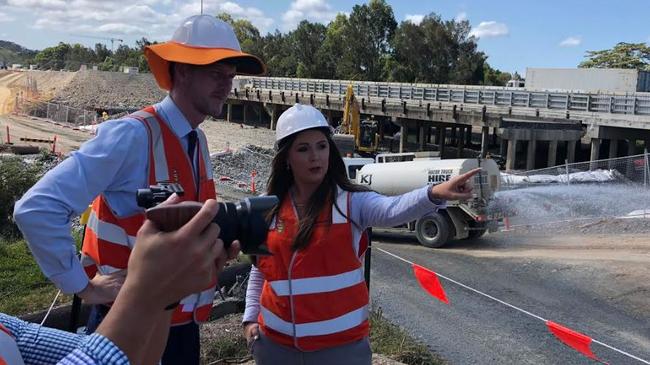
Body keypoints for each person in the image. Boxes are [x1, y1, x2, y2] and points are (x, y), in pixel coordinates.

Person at [13, 14, 265, 365]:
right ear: (181, 71)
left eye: (230, 76)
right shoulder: (131, 135)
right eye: (214, 73)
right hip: (130, 325)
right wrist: (83, 286)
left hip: (181, 325)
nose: (226, 85)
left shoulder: (198, 140)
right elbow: (36, 209)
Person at [242, 104, 479, 364]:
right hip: (276, 348)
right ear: (286, 158)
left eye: (321, 146)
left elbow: (392, 210)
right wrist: (250, 319)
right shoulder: (267, 208)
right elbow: (262, 270)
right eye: (303, 149)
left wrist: (434, 194)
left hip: (341, 350)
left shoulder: (350, 203)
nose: (315, 157)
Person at [2, 196, 240, 365]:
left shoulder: (8, 333)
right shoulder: (127, 135)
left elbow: (125, 358)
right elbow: (33, 209)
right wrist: (145, 291)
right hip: (115, 304)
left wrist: (169, 293)